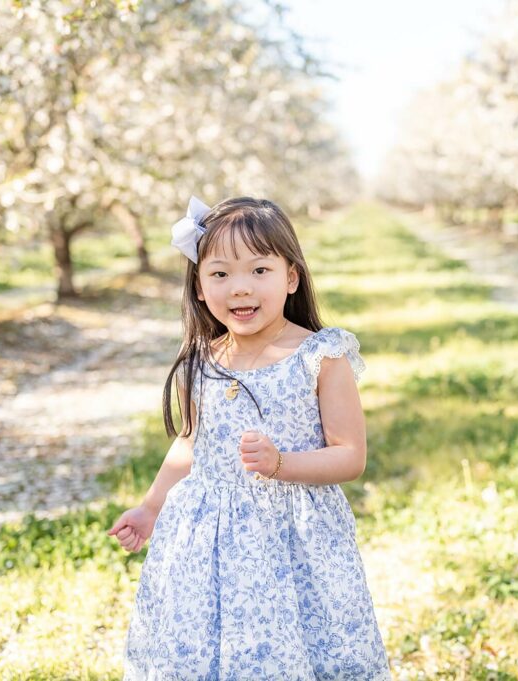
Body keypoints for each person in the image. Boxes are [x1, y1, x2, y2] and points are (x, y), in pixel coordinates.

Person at [107, 196, 392, 680]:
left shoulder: (320, 356)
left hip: (294, 541)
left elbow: (350, 456)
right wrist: (150, 508)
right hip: (208, 542)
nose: (240, 288)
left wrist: (282, 464)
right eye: (220, 274)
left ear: (291, 278)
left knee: (294, 648)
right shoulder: (202, 362)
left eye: (259, 270)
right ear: (199, 287)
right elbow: (189, 444)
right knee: (208, 650)